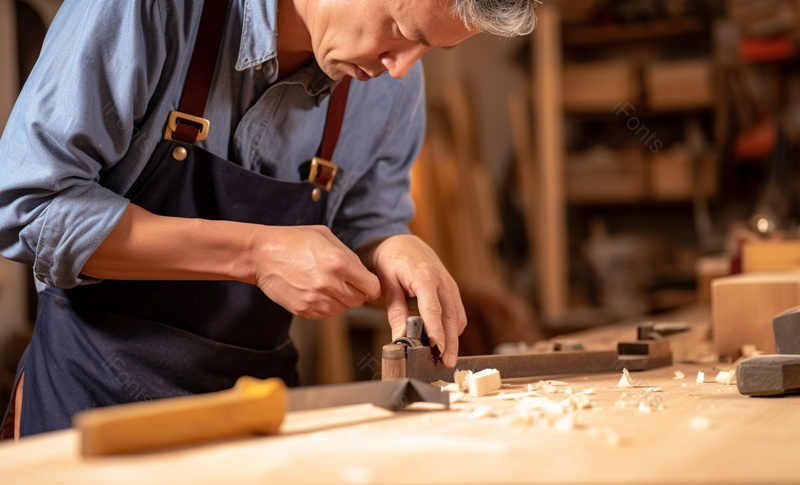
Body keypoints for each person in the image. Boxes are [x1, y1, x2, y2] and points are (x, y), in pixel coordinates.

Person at [0, 0, 538, 437]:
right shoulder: (147, 9)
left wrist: (392, 247)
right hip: (94, 405)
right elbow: (27, 205)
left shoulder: (389, 83)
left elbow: (366, 222)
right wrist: (256, 255)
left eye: (428, 47)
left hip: (256, 415)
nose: (399, 68)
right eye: (399, 29)